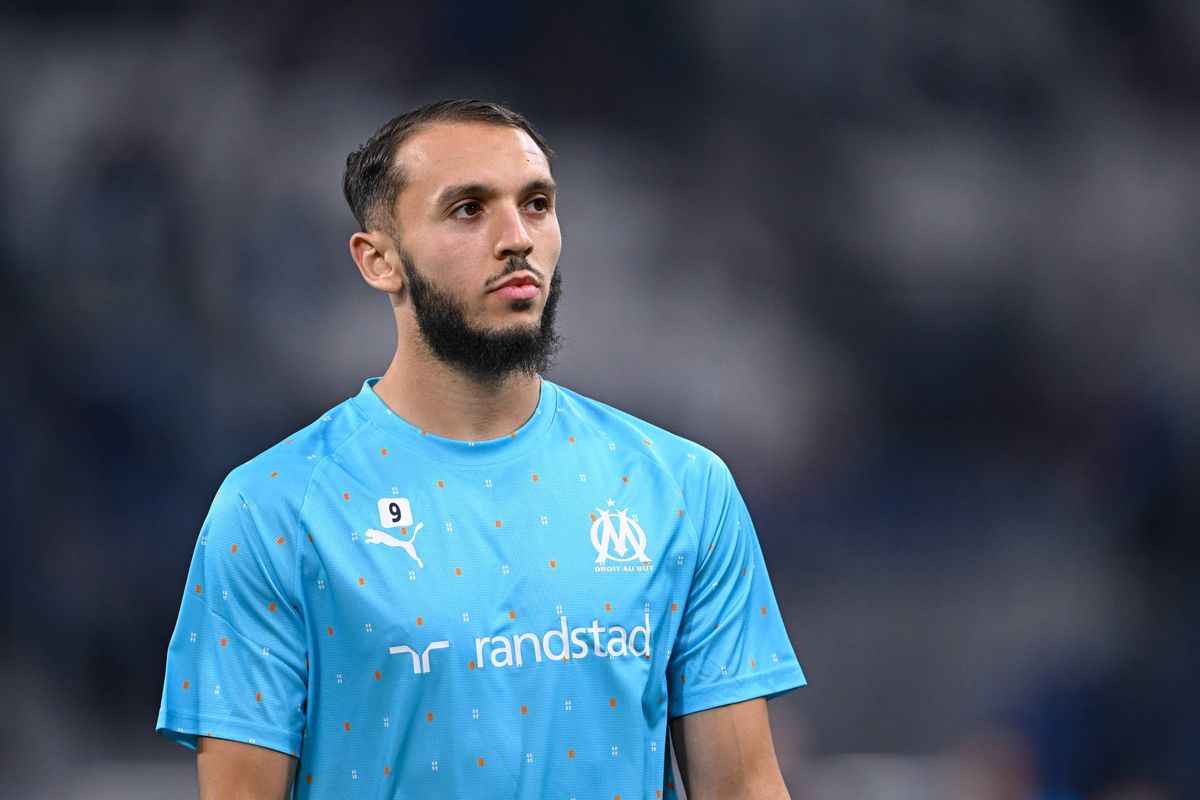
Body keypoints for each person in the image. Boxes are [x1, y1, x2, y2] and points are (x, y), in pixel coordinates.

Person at [157, 99, 806, 799]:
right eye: (468, 209)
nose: (517, 238)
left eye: (536, 204)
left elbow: (743, 788)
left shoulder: (682, 487)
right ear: (379, 260)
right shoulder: (272, 510)